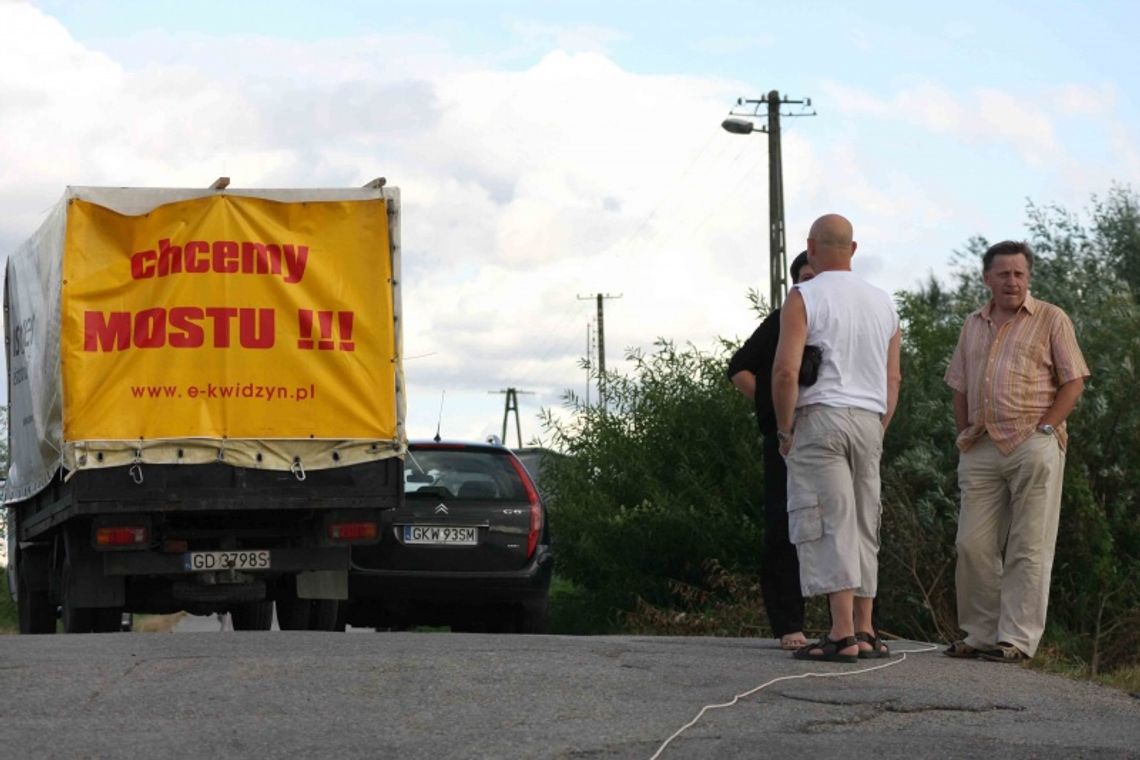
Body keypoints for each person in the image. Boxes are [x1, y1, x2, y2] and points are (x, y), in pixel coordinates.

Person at [942, 240, 1088, 663]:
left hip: (1032, 442)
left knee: (1030, 544)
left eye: (1019, 273)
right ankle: (980, 634)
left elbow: (1074, 380)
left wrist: (1046, 427)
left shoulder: (1051, 318)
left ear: (1029, 277)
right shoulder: (972, 324)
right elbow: (960, 385)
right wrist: (964, 435)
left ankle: (1016, 641)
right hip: (981, 445)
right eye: (1003, 274)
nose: (1012, 281)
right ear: (987, 278)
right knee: (972, 545)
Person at [772, 214, 901, 662]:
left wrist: (785, 428)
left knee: (829, 521)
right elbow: (893, 378)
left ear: (811, 247)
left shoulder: (804, 295)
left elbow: (786, 371)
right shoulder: (883, 302)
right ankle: (866, 630)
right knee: (866, 521)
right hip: (869, 418)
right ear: (854, 248)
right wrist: (878, 426)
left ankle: (841, 634)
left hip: (821, 416)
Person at [727, 251, 815, 651]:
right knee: (783, 527)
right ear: (795, 283)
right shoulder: (782, 319)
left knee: (846, 527)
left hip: (837, 430)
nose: (813, 285)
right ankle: (788, 623)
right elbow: (739, 367)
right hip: (788, 435)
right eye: (805, 278)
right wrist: (774, 405)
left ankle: (853, 625)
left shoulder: (849, 314)